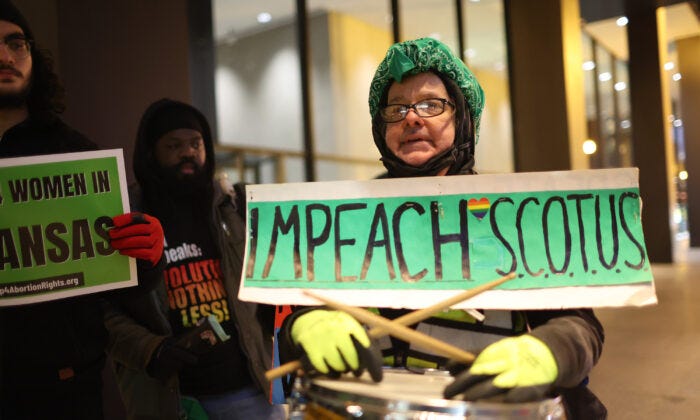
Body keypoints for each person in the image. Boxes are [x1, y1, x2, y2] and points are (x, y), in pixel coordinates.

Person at [280, 37, 606, 419]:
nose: (412, 118)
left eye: (431, 105)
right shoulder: (344, 219)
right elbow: (299, 320)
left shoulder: (512, 215)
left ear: (464, 117)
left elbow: (583, 328)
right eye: (397, 108)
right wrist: (305, 323)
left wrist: (548, 349)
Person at [0, 1, 165, 418]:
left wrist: (147, 253)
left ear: (33, 55)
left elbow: (121, 285)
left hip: (63, 388)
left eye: (14, 42)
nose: (4, 56)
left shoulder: (76, 154)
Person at [104, 98, 285, 420]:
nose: (188, 153)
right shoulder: (128, 221)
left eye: (196, 143)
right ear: (151, 153)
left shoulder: (233, 206)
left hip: (249, 388)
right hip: (168, 398)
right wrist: (150, 350)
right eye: (174, 145)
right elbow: (103, 314)